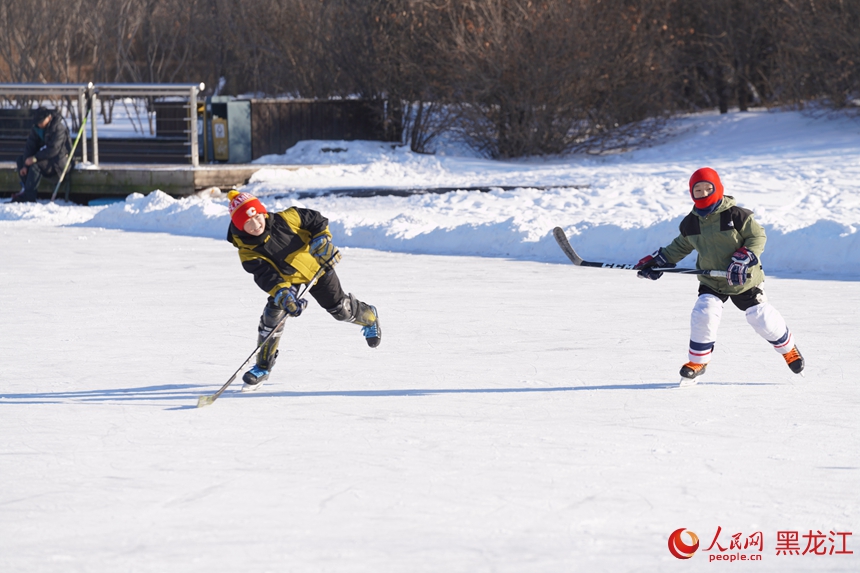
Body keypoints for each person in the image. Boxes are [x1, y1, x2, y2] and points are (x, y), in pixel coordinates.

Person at [634, 167, 804, 383]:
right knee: (704, 312)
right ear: (691, 193)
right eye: (698, 190)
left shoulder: (737, 215)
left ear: (718, 188)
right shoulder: (691, 223)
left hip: (743, 279)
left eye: (708, 188)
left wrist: (746, 255)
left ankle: (789, 349)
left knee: (761, 318)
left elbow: (757, 237)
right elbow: (680, 246)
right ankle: (698, 361)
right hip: (712, 280)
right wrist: (659, 261)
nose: (704, 193)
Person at [226, 189, 381, 391]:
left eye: (257, 217)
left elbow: (316, 220)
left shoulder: (287, 218)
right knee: (273, 315)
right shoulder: (247, 251)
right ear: (239, 226)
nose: (255, 225)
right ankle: (263, 366)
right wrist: (283, 295)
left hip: (317, 266)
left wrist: (321, 242)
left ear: (262, 212)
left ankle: (369, 317)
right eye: (248, 223)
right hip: (288, 282)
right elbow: (266, 276)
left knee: (341, 311)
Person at [11, 107, 72, 203]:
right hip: (45, 158)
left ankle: (29, 197)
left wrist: (35, 158)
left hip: (58, 162)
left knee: (35, 166)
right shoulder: (37, 128)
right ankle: (26, 189)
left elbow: (53, 149)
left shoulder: (58, 128)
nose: (39, 124)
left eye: (41, 122)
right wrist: (25, 165)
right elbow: (30, 146)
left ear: (48, 118)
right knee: (21, 160)